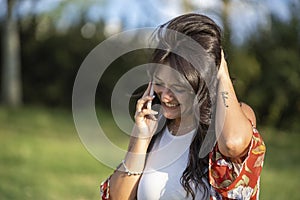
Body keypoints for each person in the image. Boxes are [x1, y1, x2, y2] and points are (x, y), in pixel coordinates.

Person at [100, 13, 266, 200]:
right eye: (160, 82)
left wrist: (221, 74)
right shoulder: (155, 128)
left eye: (178, 87)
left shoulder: (236, 117)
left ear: (203, 83)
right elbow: (118, 197)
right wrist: (141, 138)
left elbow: (232, 144)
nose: (166, 96)